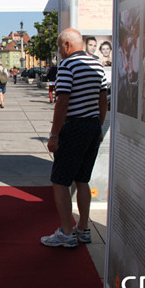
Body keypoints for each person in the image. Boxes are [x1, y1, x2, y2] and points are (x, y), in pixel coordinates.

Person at [40, 28, 107, 248]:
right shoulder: (97, 64)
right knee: (82, 179)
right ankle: (83, 228)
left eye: (60, 47)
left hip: (73, 127)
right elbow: (103, 100)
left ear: (68, 45)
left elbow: (62, 103)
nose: (59, 52)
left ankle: (67, 233)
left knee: (60, 181)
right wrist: (98, 126)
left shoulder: (68, 66)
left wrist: (54, 135)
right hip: (91, 126)